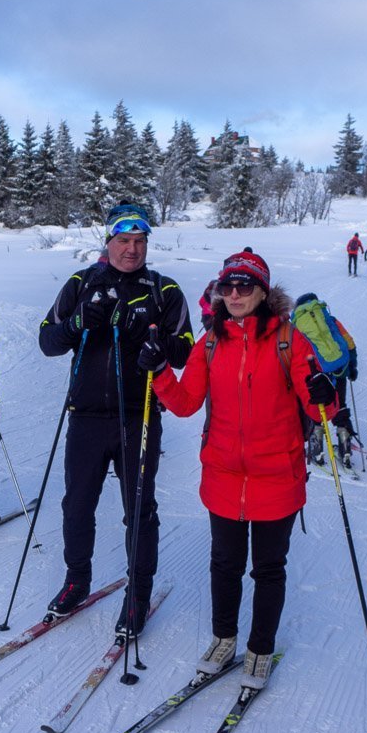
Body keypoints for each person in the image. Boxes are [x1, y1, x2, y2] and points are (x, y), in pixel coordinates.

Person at [142, 251, 338, 689]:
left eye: (244, 286)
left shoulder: (290, 340)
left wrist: (327, 393)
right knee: (224, 564)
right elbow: (186, 403)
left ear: (263, 292)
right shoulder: (209, 343)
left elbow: (319, 409)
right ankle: (224, 638)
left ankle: (261, 647)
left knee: (269, 568)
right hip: (224, 476)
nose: (234, 294)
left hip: (277, 477)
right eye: (226, 287)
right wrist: (159, 371)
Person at [38, 203, 194, 637]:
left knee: (139, 511)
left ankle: (138, 594)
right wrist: (77, 323)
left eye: (140, 242)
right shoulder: (82, 283)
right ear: (108, 242)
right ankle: (76, 580)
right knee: (76, 505)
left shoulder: (164, 290)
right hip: (86, 416)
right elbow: (48, 341)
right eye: (124, 241)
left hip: (138, 417)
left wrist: (156, 345)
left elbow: (186, 350)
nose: (132, 249)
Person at [294, 292, 358, 468]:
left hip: (318, 371)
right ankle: (345, 446)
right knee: (340, 404)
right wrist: (352, 366)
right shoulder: (330, 319)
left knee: (318, 407)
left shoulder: (297, 325)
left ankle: (317, 449)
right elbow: (349, 343)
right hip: (340, 368)